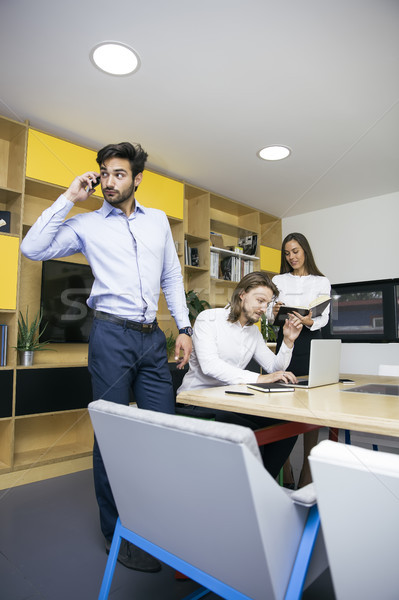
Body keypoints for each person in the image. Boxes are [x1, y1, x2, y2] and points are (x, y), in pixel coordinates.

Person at [20, 142, 192, 573]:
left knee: (161, 432)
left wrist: (185, 328)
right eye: (104, 173)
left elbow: (172, 275)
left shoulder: (157, 223)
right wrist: (68, 198)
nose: (109, 181)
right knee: (113, 432)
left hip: (152, 339)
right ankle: (120, 534)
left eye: (118, 173)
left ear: (136, 179)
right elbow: (32, 248)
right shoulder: (86, 224)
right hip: (111, 336)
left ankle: (163, 525)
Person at [177, 271, 303, 479]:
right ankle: (248, 489)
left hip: (230, 401)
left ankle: (263, 485)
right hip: (197, 401)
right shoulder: (209, 319)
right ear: (242, 294)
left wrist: (288, 341)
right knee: (247, 433)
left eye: (267, 303)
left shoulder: (252, 332)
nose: (264, 308)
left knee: (287, 427)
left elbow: (273, 367)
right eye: (260, 300)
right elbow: (210, 365)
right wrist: (258, 378)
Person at [269, 232, 331, 488]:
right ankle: (285, 467)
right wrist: (273, 311)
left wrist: (309, 320)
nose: (291, 256)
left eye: (295, 251)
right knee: (281, 401)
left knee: (310, 405)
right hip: (285, 339)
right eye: (287, 253)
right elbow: (270, 314)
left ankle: (307, 466)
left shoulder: (321, 280)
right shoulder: (277, 279)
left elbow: (322, 316)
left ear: (305, 251)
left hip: (308, 341)